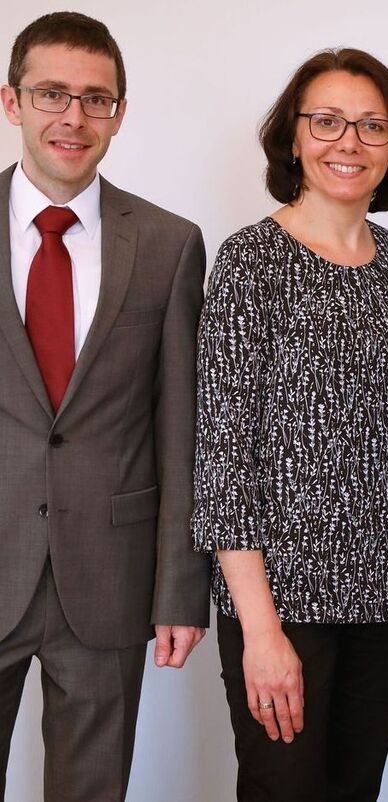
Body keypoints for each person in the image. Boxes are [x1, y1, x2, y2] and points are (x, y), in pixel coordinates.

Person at [192, 47, 388, 802]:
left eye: (372, 126)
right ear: (293, 138)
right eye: (327, 121)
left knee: (355, 788)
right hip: (282, 605)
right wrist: (260, 634)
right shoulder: (250, 262)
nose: (349, 143)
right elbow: (224, 455)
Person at [0, 11, 209, 801]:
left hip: (109, 577)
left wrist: (178, 590)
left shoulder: (168, 243)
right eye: (52, 93)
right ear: (11, 102)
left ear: (120, 113)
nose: (73, 117)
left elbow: (180, 430)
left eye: (95, 98)